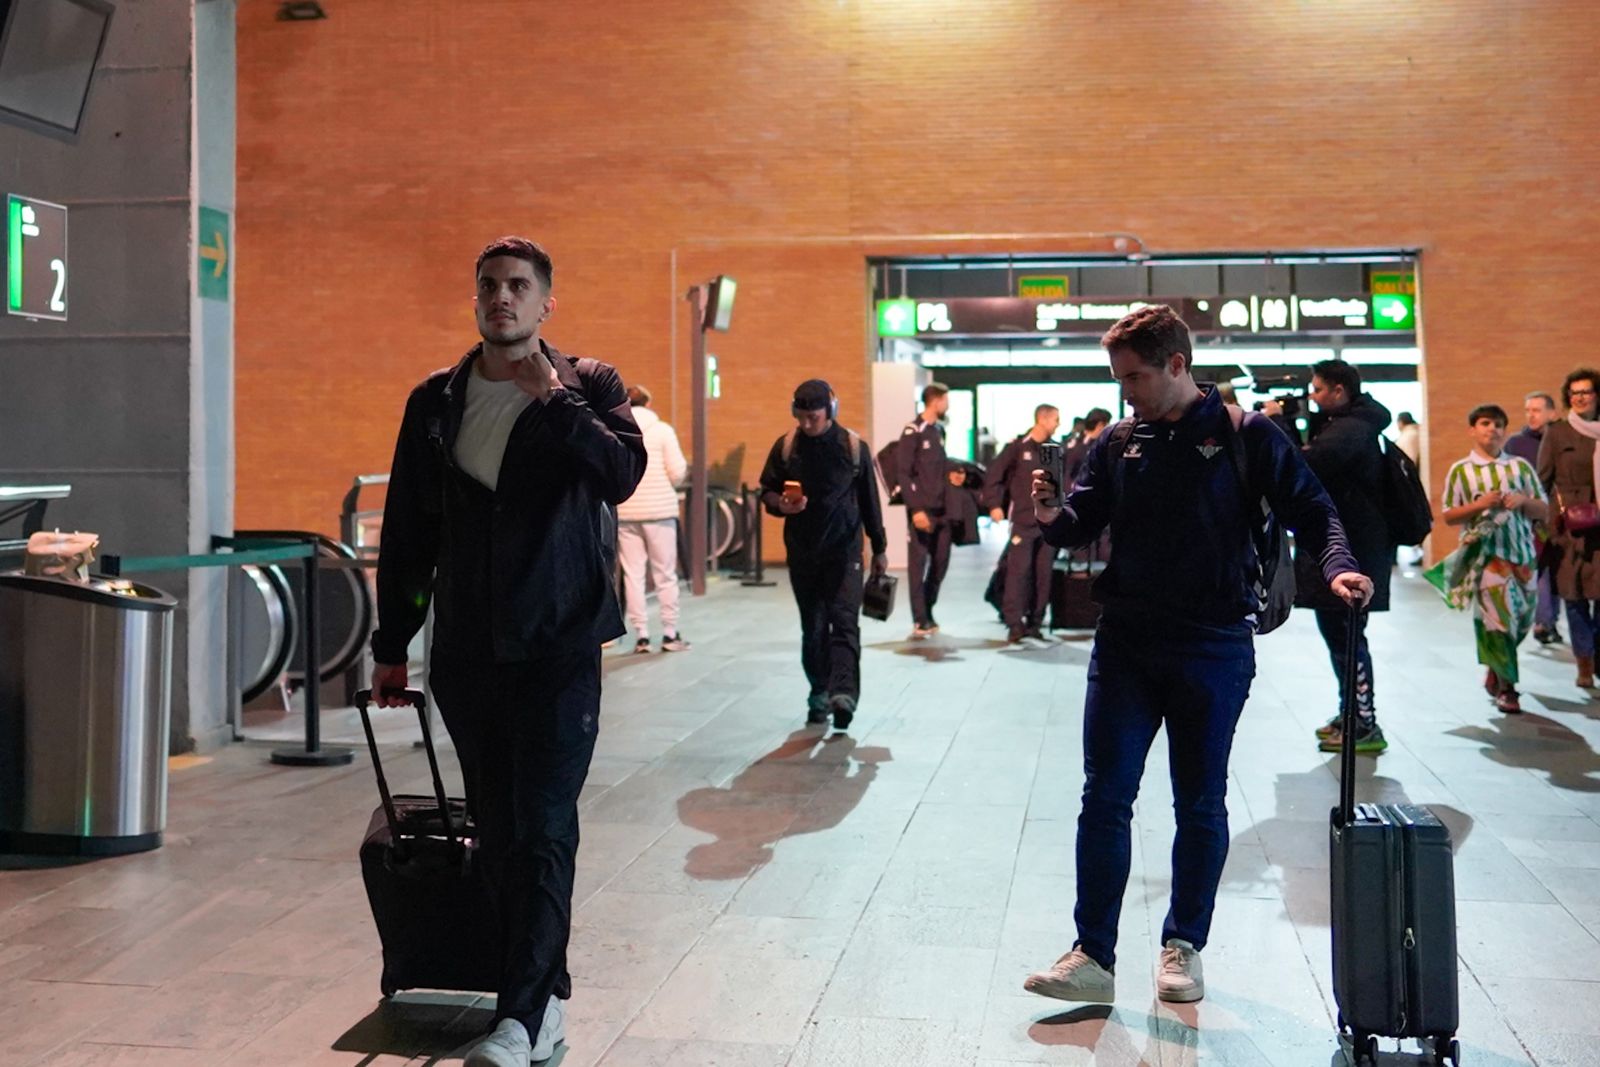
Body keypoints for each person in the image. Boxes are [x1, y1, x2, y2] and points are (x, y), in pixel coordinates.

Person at [1021, 304, 1368, 1007]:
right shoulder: (1121, 440)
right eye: (1119, 378)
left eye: (1137, 376)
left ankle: (1183, 945)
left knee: (1199, 801)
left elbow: (1314, 509)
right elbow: (1079, 525)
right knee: (1105, 795)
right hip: (1126, 641)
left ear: (1178, 363)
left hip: (1213, 644)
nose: (1127, 392)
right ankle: (1093, 951)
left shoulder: (1246, 433)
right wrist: (1053, 512)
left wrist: (1337, 566)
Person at [370, 237, 646, 1067]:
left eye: (518, 286)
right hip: (469, 649)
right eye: (489, 285)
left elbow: (622, 472)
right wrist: (392, 642)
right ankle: (538, 994)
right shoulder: (435, 400)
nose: (502, 297)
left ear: (546, 302)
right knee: (498, 827)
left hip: (558, 642)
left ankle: (522, 1016)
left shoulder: (589, 384)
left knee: (543, 823)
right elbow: (410, 530)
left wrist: (554, 399)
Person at [759, 379, 888, 730]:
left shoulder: (853, 446)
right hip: (803, 552)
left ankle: (843, 694)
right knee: (813, 627)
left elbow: (869, 502)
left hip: (845, 552)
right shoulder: (786, 447)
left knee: (844, 623)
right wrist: (781, 505)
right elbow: (766, 491)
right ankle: (819, 691)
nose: (807, 424)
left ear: (830, 411)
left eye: (813, 417)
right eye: (801, 417)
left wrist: (879, 547)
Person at [1283, 360, 1394, 755]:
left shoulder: (1349, 431)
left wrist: (1280, 426)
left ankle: (1364, 722)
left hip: (1352, 554)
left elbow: (1304, 466)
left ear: (1339, 391)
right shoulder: (1347, 425)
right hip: (1347, 550)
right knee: (1340, 638)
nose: (1311, 398)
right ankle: (1350, 713)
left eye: (1317, 390)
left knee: (1347, 638)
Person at [1428, 405, 1549, 713]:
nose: (1492, 429)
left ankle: (1496, 668)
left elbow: (1543, 509)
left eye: (1498, 424)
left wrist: (1523, 501)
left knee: (1520, 623)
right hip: (1486, 561)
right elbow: (1449, 515)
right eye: (1485, 423)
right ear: (1473, 429)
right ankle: (1508, 689)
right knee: (1498, 624)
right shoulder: (1461, 470)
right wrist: (1479, 505)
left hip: (1522, 557)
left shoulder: (1520, 468)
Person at [614, 384, 690, 654]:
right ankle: (669, 633)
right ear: (648, 404)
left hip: (627, 511)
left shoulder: (617, 430)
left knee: (633, 575)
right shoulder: (662, 431)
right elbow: (678, 472)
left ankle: (642, 636)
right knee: (665, 574)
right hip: (659, 511)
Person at [1538, 368, 1600, 688]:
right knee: (1575, 598)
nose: (1579, 397)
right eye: (1574, 392)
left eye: (1586, 391)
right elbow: (1542, 479)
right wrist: (1547, 526)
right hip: (1571, 529)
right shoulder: (1558, 433)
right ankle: (1584, 662)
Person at [983, 404, 1062, 643]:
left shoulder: (1054, 449)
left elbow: (1061, 484)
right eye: (1056, 419)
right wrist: (994, 505)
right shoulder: (1017, 447)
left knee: (1043, 574)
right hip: (1023, 522)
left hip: (1049, 524)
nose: (1058, 424)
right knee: (1019, 573)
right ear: (1042, 419)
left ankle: (1036, 621)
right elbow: (994, 475)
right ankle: (1014, 623)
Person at [897, 382, 952, 638]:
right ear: (936, 401)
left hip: (943, 511)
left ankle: (928, 611)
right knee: (918, 566)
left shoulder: (938, 431)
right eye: (946, 400)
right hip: (922, 512)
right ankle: (920, 619)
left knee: (940, 564)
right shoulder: (913, 430)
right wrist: (916, 509)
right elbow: (903, 473)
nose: (948, 405)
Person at [1507, 392, 1562, 644]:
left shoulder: (1563, 439)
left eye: (1537, 410)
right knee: (1539, 572)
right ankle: (1543, 622)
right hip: (1531, 520)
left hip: (1564, 518)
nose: (1531, 415)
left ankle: (1549, 621)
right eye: (1528, 410)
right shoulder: (1516, 444)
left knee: (1558, 571)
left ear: (1552, 413)